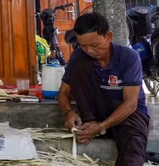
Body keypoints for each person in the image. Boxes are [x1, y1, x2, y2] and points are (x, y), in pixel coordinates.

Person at [57, 12, 149, 166]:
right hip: (93, 115)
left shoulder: (129, 57)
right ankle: (89, 122)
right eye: (83, 46)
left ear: (109, 36)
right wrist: (68, 112)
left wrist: (100, 127)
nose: (89, 51)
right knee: (80, 62)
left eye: (94, 45)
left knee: (133, 147)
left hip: (128, 115)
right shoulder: (79, 57)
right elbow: (63, 93)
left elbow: (131, 104)